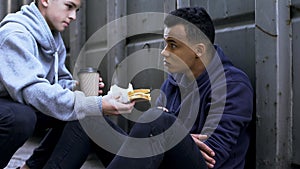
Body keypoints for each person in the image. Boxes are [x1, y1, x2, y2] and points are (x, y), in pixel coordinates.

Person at [19, 6, 253, 169]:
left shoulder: (232, 86)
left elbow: (213, 156)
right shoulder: (174, 81)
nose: (164, 52)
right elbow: (160, 140)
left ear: (199, 50)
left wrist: (166, 131)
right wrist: (169, 134)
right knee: (88, 117)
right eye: (164, 43)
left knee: (156, 121)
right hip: (160, 162)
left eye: (173, 45)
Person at [0, 0, 134, 168]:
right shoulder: (14, 34)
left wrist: (75, 88)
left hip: (21, 101)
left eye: (77, 10)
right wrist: (97, 104)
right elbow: (33, 91)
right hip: (11, 107)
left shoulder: (53, 38)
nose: (73, 16)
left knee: (82, 111)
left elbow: (55, 83)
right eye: (69, 6)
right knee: (20, 117)